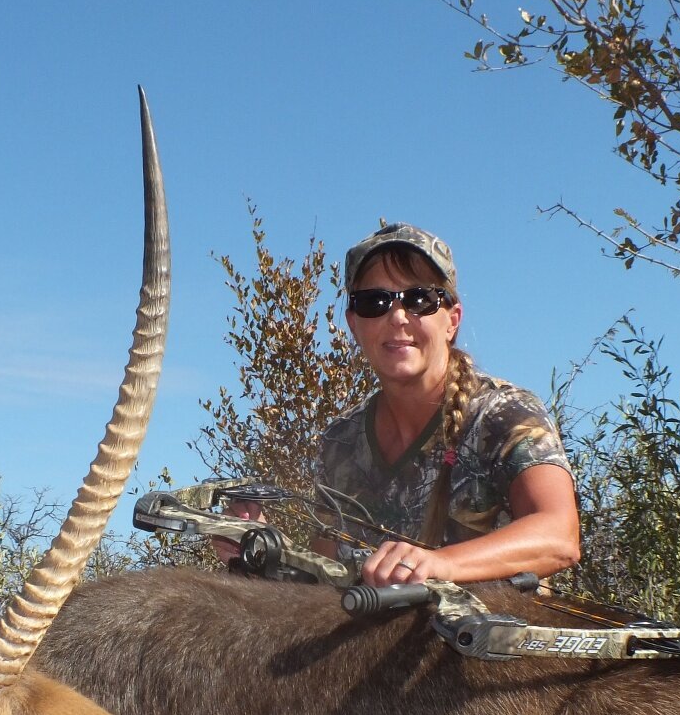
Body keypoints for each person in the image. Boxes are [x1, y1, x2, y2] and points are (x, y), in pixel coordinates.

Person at [224, 222, 580, 589]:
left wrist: (439, 564)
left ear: (452, 320)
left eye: (419, 299)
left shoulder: (504, 414)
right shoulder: (341, 441)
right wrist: (263, 550)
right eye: (374, 303)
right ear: (353, 325)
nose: (397, 318)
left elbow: (559, 537)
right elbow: (325, 582)